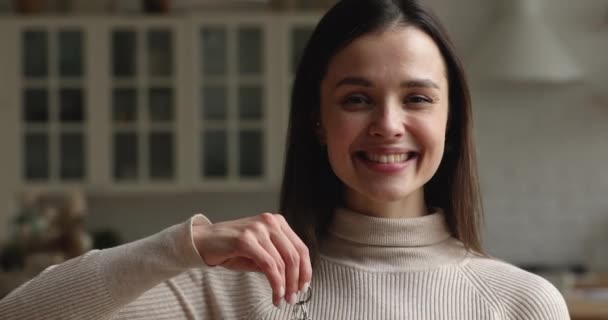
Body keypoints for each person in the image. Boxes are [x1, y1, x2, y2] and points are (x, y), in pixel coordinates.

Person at [1, 0, 570, 319]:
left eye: (417, 98)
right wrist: (183, 247)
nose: (388, 124)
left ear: (452, 119)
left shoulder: (519, 304)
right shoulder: (231, 289)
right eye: (356, 99)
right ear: (318, 121)